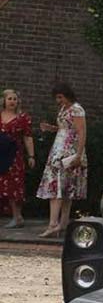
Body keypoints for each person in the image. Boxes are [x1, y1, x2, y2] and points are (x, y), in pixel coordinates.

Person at [36, 82, 87, 238]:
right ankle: (61, 224)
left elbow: (81, 132)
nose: (58, 100)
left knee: (61, 187)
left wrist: (78, 155)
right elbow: (67, 128)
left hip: (68, 151)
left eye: (60, 97)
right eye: (57, 97)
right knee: (61, 187)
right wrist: (52, 128)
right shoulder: (64, 109)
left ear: (67, 95)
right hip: (58, 148)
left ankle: (55, 224)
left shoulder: (77, 109)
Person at [0, 89, 36, 228]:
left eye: (15, 99)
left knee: (14, 186)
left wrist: (31, 155)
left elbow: (27, 137)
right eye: (10, 99)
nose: (12, 101)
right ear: (4, 100)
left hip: (14, 155)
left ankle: (17, 217)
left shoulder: (22, 118)